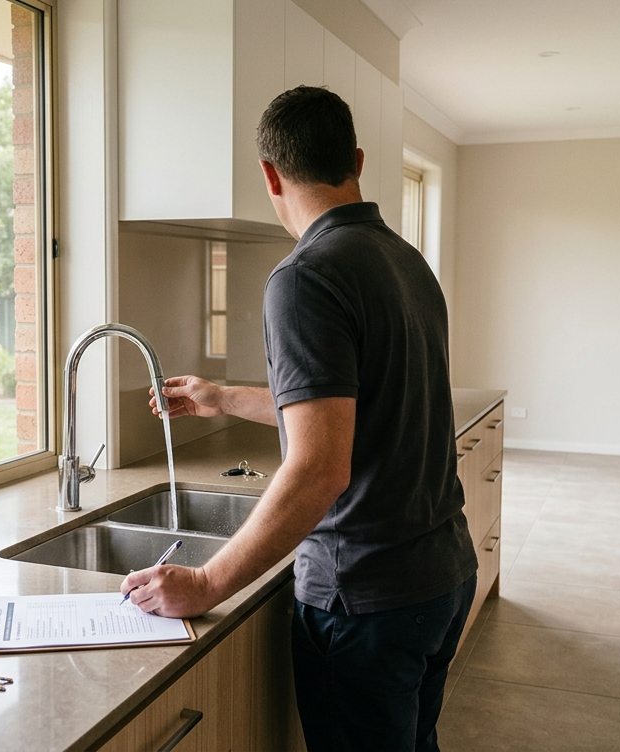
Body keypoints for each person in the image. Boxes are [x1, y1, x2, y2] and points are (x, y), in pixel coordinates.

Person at [120, 86, 478, 752]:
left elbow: (319, 467)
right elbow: (350, 411)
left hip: (368, 596)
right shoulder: (406, 263)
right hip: (441, 575)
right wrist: (222, 396)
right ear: (358, 161)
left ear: (269, 174)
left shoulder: (306, 275)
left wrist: (204, 582)